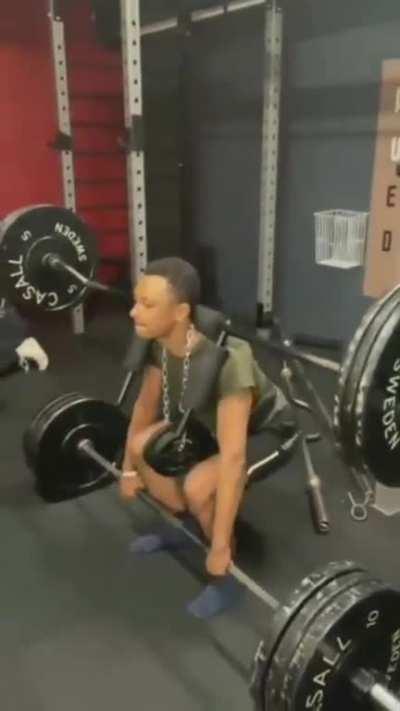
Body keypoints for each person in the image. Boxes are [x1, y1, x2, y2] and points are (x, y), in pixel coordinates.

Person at [119, 258, 293, 618]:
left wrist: (218, 547)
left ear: (181, 311)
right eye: (136, 301)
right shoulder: (159, 341)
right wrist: (128, 469)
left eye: (148, 305)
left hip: (266, 433)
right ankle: (184, 528)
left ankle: (226, 579)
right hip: (211, 424)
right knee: (140, 448)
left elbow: (233, 459)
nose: (135, 312)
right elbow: (145, 405)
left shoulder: (230, 360)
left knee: (199, 487)